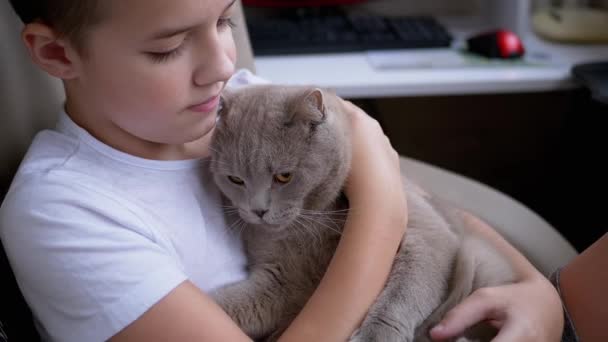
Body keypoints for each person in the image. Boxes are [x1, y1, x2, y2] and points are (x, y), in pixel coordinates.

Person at [0, 0, 562, 341]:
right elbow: (389, 198)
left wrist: (539, 294)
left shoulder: (244, 103)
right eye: (168, 48)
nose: (224, 64)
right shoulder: (64, 210)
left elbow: (428, 209)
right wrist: (378, 201)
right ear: (56, 55)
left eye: (224, 20)